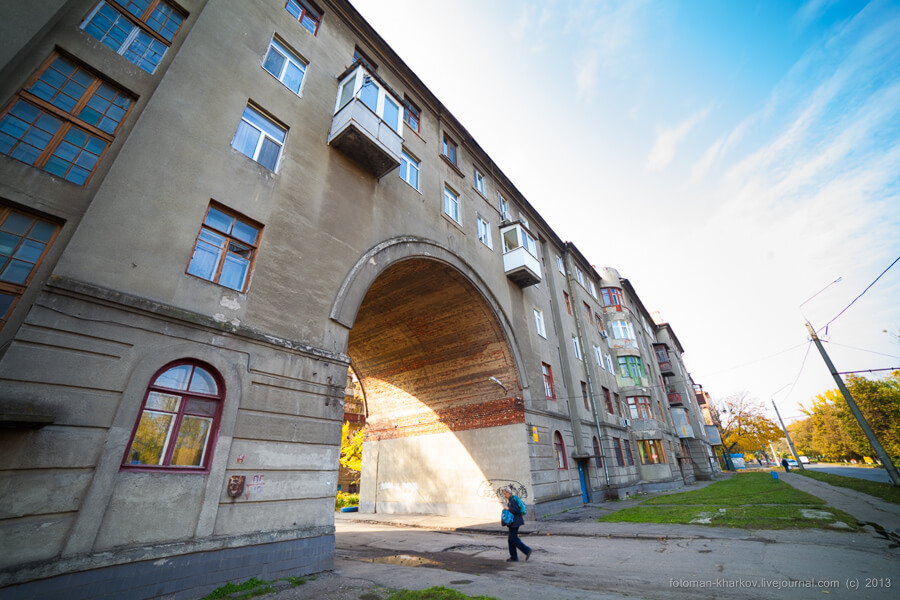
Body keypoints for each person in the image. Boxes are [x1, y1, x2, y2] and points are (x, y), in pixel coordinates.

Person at [502, 487, 531, 562]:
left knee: (513, 539)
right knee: (510, 539)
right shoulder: (511, 499)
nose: (505, 495)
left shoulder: (513, 500)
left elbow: (517, 510)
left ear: (508, 493)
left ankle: (527, 550)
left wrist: (508, 509)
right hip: (514, 522)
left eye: (505, 494)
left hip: (515, 522)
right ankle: (514, 557)